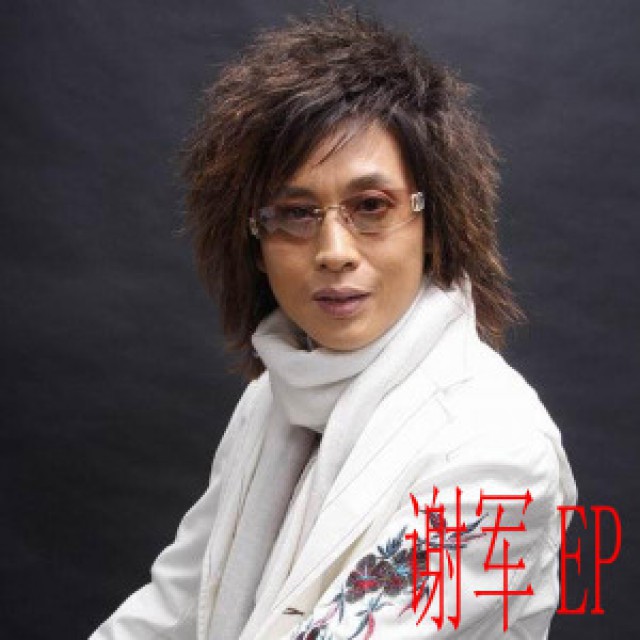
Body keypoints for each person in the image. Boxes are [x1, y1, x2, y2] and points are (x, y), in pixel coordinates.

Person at [91, 8, 576, 639]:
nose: (334, 251)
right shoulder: (275, 396)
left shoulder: (495, 450)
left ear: (436, 226)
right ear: (255, 241)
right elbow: (176, 610)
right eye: (296, 213)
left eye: (371, 206)